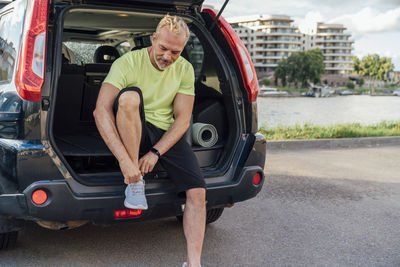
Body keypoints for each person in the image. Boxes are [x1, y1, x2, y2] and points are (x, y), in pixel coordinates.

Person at [93, 15, 205, 267]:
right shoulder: (128, 62)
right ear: (153, 39)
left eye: (175, 52)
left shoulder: (184, 68)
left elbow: (183, 119)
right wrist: (125, 161)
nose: (167, 56)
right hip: (133, 129)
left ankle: (194, 263)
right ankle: (134, 181)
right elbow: (101, 110)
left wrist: (156, 152)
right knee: (130, 97)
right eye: (163, 48)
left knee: (197, 192)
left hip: (164, 134)